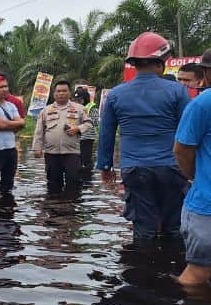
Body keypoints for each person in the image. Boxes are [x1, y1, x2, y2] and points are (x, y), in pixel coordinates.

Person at [97, 32, 190, 241]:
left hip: (134, 168)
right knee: (174, 228)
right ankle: (174, 270)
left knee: (144, 230)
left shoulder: (115, 95)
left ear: (135, 63)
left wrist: (105, 166)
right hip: (171, 168)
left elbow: (106, 134)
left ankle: (142, 270)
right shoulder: (177, 91)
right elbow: (188, 133)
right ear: (160, 63)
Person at [175, 48, 211, 286]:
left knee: (197, 274)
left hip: (206, 206)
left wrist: (194, 177)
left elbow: (181, 150)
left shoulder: (202, 104)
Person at [32, 79, 93, 193]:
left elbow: (89, 123)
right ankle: (54, 209)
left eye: (64, 91)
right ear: (54, 93)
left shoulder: (79, 108)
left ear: (69, 93)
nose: (61, 93)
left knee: (74, 181)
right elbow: (39, 131)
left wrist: (78, 129)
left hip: (72, 153)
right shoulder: (46, 110)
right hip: (51, 153)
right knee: (53, 183)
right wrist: (37, 148)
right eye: (58, 91)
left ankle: (71, 207)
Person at [72, 86, 99, 171]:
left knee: (86, 160)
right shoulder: (75, 108)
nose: (77, 102)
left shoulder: (92, 107)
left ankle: (87, 179)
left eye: (79, 99)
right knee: (77, 160)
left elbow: (95, 122)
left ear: (85, 98)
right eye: (75, 99)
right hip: (77, 137)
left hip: (87, 137)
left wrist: (82, 123)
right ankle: (79, 178)